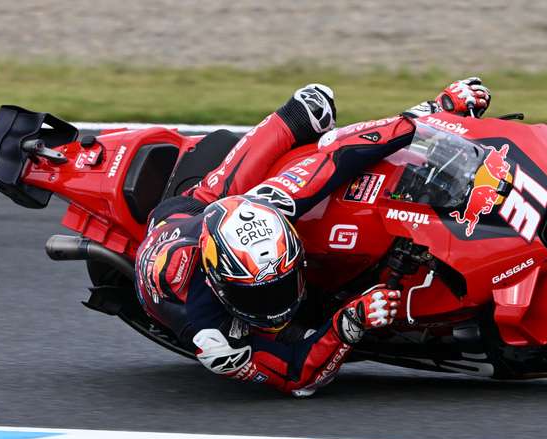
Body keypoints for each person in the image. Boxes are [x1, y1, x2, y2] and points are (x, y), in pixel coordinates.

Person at [134, 77, 491, 396]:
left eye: (283, 282)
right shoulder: (217, 341)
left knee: (313, 105)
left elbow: (343, 152)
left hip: (211, 212)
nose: (280, 301)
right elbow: (295, 377)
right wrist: (348, 324)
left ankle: (295, 121)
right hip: (183, 222)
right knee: (215, 197)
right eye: (262, 295)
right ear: (220, 285)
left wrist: (430, 115)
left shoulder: (272, 206)